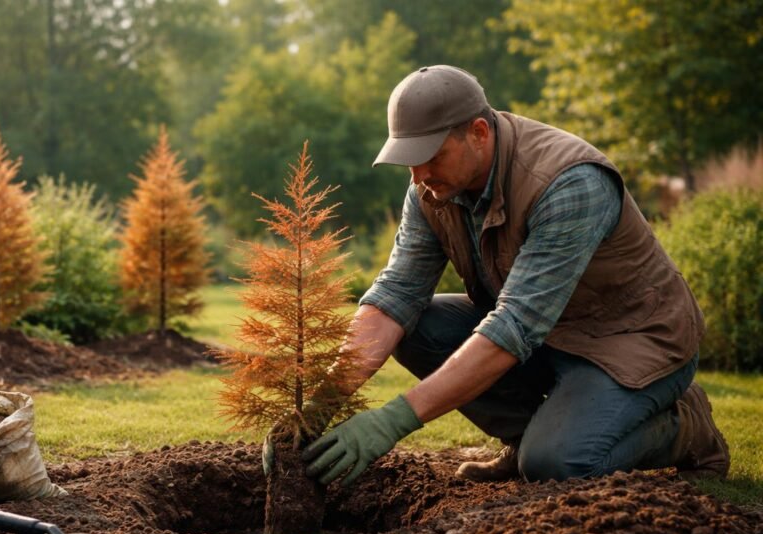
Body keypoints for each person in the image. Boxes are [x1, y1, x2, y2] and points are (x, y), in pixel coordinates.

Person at [268, 65, 729, 486]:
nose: (418, 175)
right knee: (418, 328)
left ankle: (685, 425)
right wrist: (320, 404)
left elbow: (515, 325)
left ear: (479, 133)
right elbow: (395, 295)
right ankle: (526, 437)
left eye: (429, 155)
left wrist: (393, 420)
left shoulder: (569, 182)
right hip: (548, 338)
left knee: (559, 464)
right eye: (409, 158)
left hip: (631, 342)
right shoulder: (432, 189)